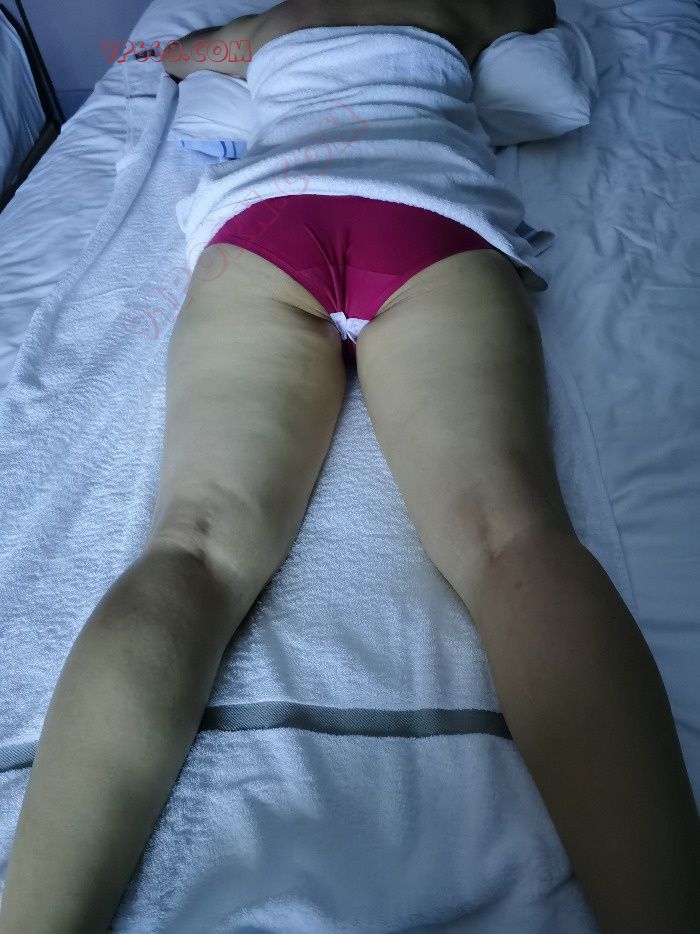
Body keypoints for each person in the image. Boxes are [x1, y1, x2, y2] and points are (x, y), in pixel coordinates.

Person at [1, 3, 699, 932]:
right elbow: (550, 58)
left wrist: (244, 43)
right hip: (427, 219)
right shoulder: (467, 5)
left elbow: (174, 57)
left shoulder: (276, 20)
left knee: (194, 544)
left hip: (270, 224)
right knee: (511, 541)